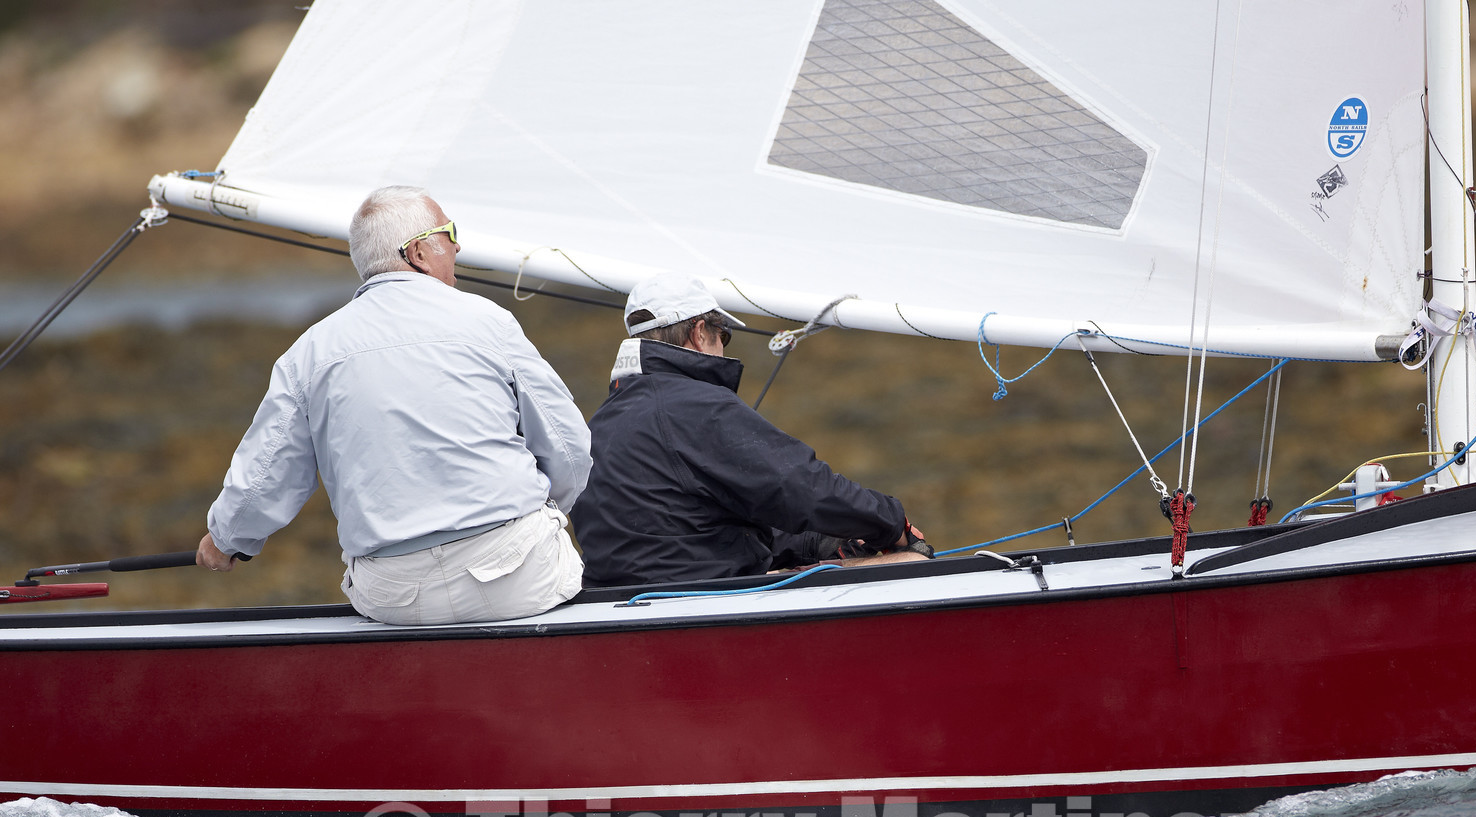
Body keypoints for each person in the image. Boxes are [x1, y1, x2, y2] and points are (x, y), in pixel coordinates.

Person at [196, 185, 592, 625]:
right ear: (418, 252)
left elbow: (266, 476)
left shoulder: (309, 351)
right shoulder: (489, 321)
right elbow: (570, 447)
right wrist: (544, 511)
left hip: (395, 599)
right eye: (449, 234)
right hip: (518, 577)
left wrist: (225, 541)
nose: (458, 246)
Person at [571, 272, 928, 587]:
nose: (723, 349)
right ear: (699, 333)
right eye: (723, 337)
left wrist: (815, 544)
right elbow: (800, 485)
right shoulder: (696, 405)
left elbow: (693, 529)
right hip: (707, 605)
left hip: (620, 607)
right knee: (913, 563)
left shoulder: (600, 422)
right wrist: (892, 524)